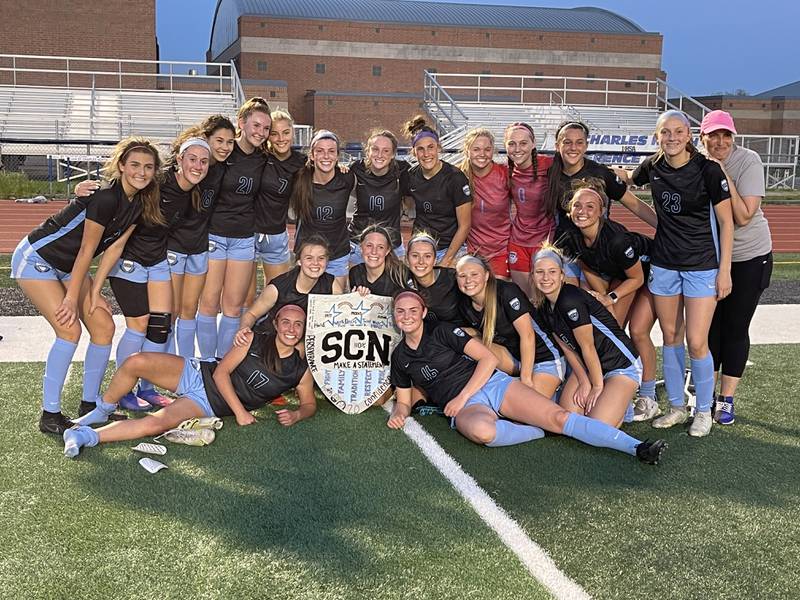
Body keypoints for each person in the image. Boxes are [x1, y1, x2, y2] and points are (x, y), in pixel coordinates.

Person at [386, 291, 666, 464]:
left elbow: (488, 359)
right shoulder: (400, 357)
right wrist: (399, 413)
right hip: (470, 407)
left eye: (413, 310)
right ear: (395, 316)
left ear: (423, 312)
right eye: (401, 311)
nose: (407, 316)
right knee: (483, 433)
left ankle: (637, 447)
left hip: (491, 385)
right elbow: (403, 400)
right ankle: (536, 430)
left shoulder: (444, 331)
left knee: (560, 418)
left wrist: (459, 397)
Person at [11, 137, 161, 433]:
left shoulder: (140, 202)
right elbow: (85, 250)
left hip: (68, 267)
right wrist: (71, 299)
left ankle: (90, 404)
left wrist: (93, 294)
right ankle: (50, 415)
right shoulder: (106, 197)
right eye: (134, 165)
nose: (141, 172)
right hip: (37, 259)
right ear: (121, 166)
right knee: (69, 330)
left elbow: (113, 250)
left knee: (104, 326)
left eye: (148, 167)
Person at [63, 305, 317, 457]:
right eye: (286, 322)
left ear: (304, 329)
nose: (291, 329)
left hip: (206, 404)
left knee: (154, 425)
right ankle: (102, 410)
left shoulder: (299, 370)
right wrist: (240, 412)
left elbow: (308, 405)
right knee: (134, 362)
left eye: (298, 324)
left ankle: (84, 436)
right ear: (276, 324)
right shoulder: (253, 339)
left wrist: (296, 415)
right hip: (199, 373)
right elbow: (220, 373)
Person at [626, 110, 734, 437]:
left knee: (696, 341)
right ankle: (676, 406)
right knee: (670, 338)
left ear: (689, 135)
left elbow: (728, 223)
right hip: (664, 264)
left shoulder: (708, 170)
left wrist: (724, 271)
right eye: (665, 133)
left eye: (678, 132)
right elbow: (630, 180)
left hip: (702, 267)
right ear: (657, 136)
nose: (671, 138)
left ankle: (703, 411)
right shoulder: (653, 166)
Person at [565, 181, 661, 422]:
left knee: (637, 330)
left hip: (651, 273)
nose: (582, 210)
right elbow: (587, 264)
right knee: (610, 326)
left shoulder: (617, 239)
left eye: (590, 206)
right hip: (622, 275)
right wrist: (600, 296)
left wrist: (610, 298)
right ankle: (614, 389)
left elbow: (637, 278)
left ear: (602, 212)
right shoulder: (573, 234)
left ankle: (647, 397)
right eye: (577, 205)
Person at [700, 110, 772, 425]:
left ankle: (726, 399)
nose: (719, 141)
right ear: (702, 138)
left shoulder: (747, 161)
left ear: (733, 137)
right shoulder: (695, 164)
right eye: (712, 135)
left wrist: (720, 172)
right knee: (709, 329)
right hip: (711, 259)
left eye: (725, 135)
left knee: (734, 327)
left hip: (749, 257)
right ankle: (706, 396)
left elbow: (743, 216)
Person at [531, 246, 644, 427]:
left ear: (562, 275)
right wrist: (584, 382)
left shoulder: (570, 299)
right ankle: (611, 397)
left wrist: (597, 387)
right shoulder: (544, 308)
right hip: (590, 365)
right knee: (570, 417)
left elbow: (588, 347)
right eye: (539, 272)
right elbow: (569, 349)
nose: (546, 278)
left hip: (620, 365)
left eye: (552, 272)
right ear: (533, 275)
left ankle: (621, 403)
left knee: (596, 426)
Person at [198, 98, 271, 359]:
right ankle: (205, 363)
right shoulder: (223, 152)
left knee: (233, 306)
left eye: (266, 128)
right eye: (256, 125)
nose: (260, 132)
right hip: (214, 235)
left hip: (243, 238)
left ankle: (221, 363)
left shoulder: (264, 158)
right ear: (242, 123)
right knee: (208, 303)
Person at [547, 120, 658, 282]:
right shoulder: (550, 173)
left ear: (586, 146)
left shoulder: (600, 173)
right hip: (567, 249)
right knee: (568, 300)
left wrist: (663, 228)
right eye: (567, 142)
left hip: (597, 253)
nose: (573, 147)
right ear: (557, 146)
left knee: (596, 302)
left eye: (579, 142)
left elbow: (634, 204)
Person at [169, 116, 236, 359]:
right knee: (171, 312)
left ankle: (186, 367)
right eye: (218, 140)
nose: (224, 147)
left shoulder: (218, 168)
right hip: (172, 249)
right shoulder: (175, 171)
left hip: (198, 248)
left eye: (230, 142)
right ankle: (165, 367)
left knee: (189, 310)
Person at [455, 255, 563, 398]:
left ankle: (553, 388)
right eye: (462, 276)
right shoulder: (465, 304)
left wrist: (526, 378)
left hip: (544, 358)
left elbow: (528, 335)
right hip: (514, 359)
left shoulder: (506, 291)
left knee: (527, 414)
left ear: (486, 275)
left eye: (474, 274)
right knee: (459, 337)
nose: (468, 281)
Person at [236, 235, 344, 346]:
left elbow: (343, 319)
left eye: (321, 258)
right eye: (309, 258)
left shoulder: (332, 285)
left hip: (308, 341)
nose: (315, 263)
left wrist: (359, 296)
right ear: (299, 261)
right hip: (272, 338)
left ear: (327, 262)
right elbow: (251, 314)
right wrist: (244, 328)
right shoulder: (277, 288)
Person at [250, 109, 307, 300]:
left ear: (293, 132)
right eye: (274, 133)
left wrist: (339, 167)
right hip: (246, 233)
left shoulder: (302, 163)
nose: (280, 138)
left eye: (286, 132)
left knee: (276, 294)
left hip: (275, 234)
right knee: (243, 297)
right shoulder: (259, 155)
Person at [290, 129, 355, 289]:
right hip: (308, 254)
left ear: (338, 156)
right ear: (312, 155)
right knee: (306, 303)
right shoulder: (299, 180)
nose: (326, 156)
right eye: (320, 151)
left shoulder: (347, 178)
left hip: (337, 253)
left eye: (331, 151)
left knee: (334, 305)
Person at [403, 115, 472, 266]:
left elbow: (465, 225)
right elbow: (407, 202)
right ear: (414, 152)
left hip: (451, 248)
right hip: (422, 246)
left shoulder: (455, 178)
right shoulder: (410, 176)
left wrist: (446, 260)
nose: (426, 154)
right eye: (420, 149)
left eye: (431, 147)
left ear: (438, 147)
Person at [504, 122, 555, 295]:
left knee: (545, 300)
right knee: (525, 299)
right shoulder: (506, 172)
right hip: (518, 241)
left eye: (523, 143)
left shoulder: (550, 165)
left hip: (545, 242)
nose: (517, 149)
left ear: (533, 144)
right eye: (511, 143)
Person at [348, 129, 410, 264]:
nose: (380, 154)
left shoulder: (403, 171)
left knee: (397, 283)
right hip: (358, 243)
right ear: (368, 151)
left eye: (386, 150)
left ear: (393, 154)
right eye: (375, 149)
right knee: (355, 285)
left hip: (392, 244)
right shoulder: (356, 169)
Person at [458, 127, 511, 279]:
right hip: (471, 251)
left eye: (487, 149)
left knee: (498, 295)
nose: (482, 154)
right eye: (476, 149)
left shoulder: (505, 174)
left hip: (501, 250)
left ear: (493, 151)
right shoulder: (458, 176)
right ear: (467, 150)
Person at [404, 231, 462, 323]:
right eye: (415, 256)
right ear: (407, 259)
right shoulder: (402, 280)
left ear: (435, 260)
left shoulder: (453, 278)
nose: (421, 261)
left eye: (427, 256)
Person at [349, 225, 408, 297]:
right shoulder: (355, 273)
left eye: (380, 247)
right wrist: (356, 298)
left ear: (387, 250)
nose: (374, 252)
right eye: (369, 245)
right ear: (361, 248)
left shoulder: (401, 274)